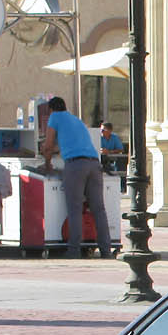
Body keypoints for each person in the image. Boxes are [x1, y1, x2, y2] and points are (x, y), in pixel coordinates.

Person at [41, 96, 111, 259]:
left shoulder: (54, 117)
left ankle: (74, 250)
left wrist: (47, 163)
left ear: (51, 109)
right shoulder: (75, 120)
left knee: (75, 208)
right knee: (99, 209)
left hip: (75, 166)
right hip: (94, 164)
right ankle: (106, 250)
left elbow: (49, 144)